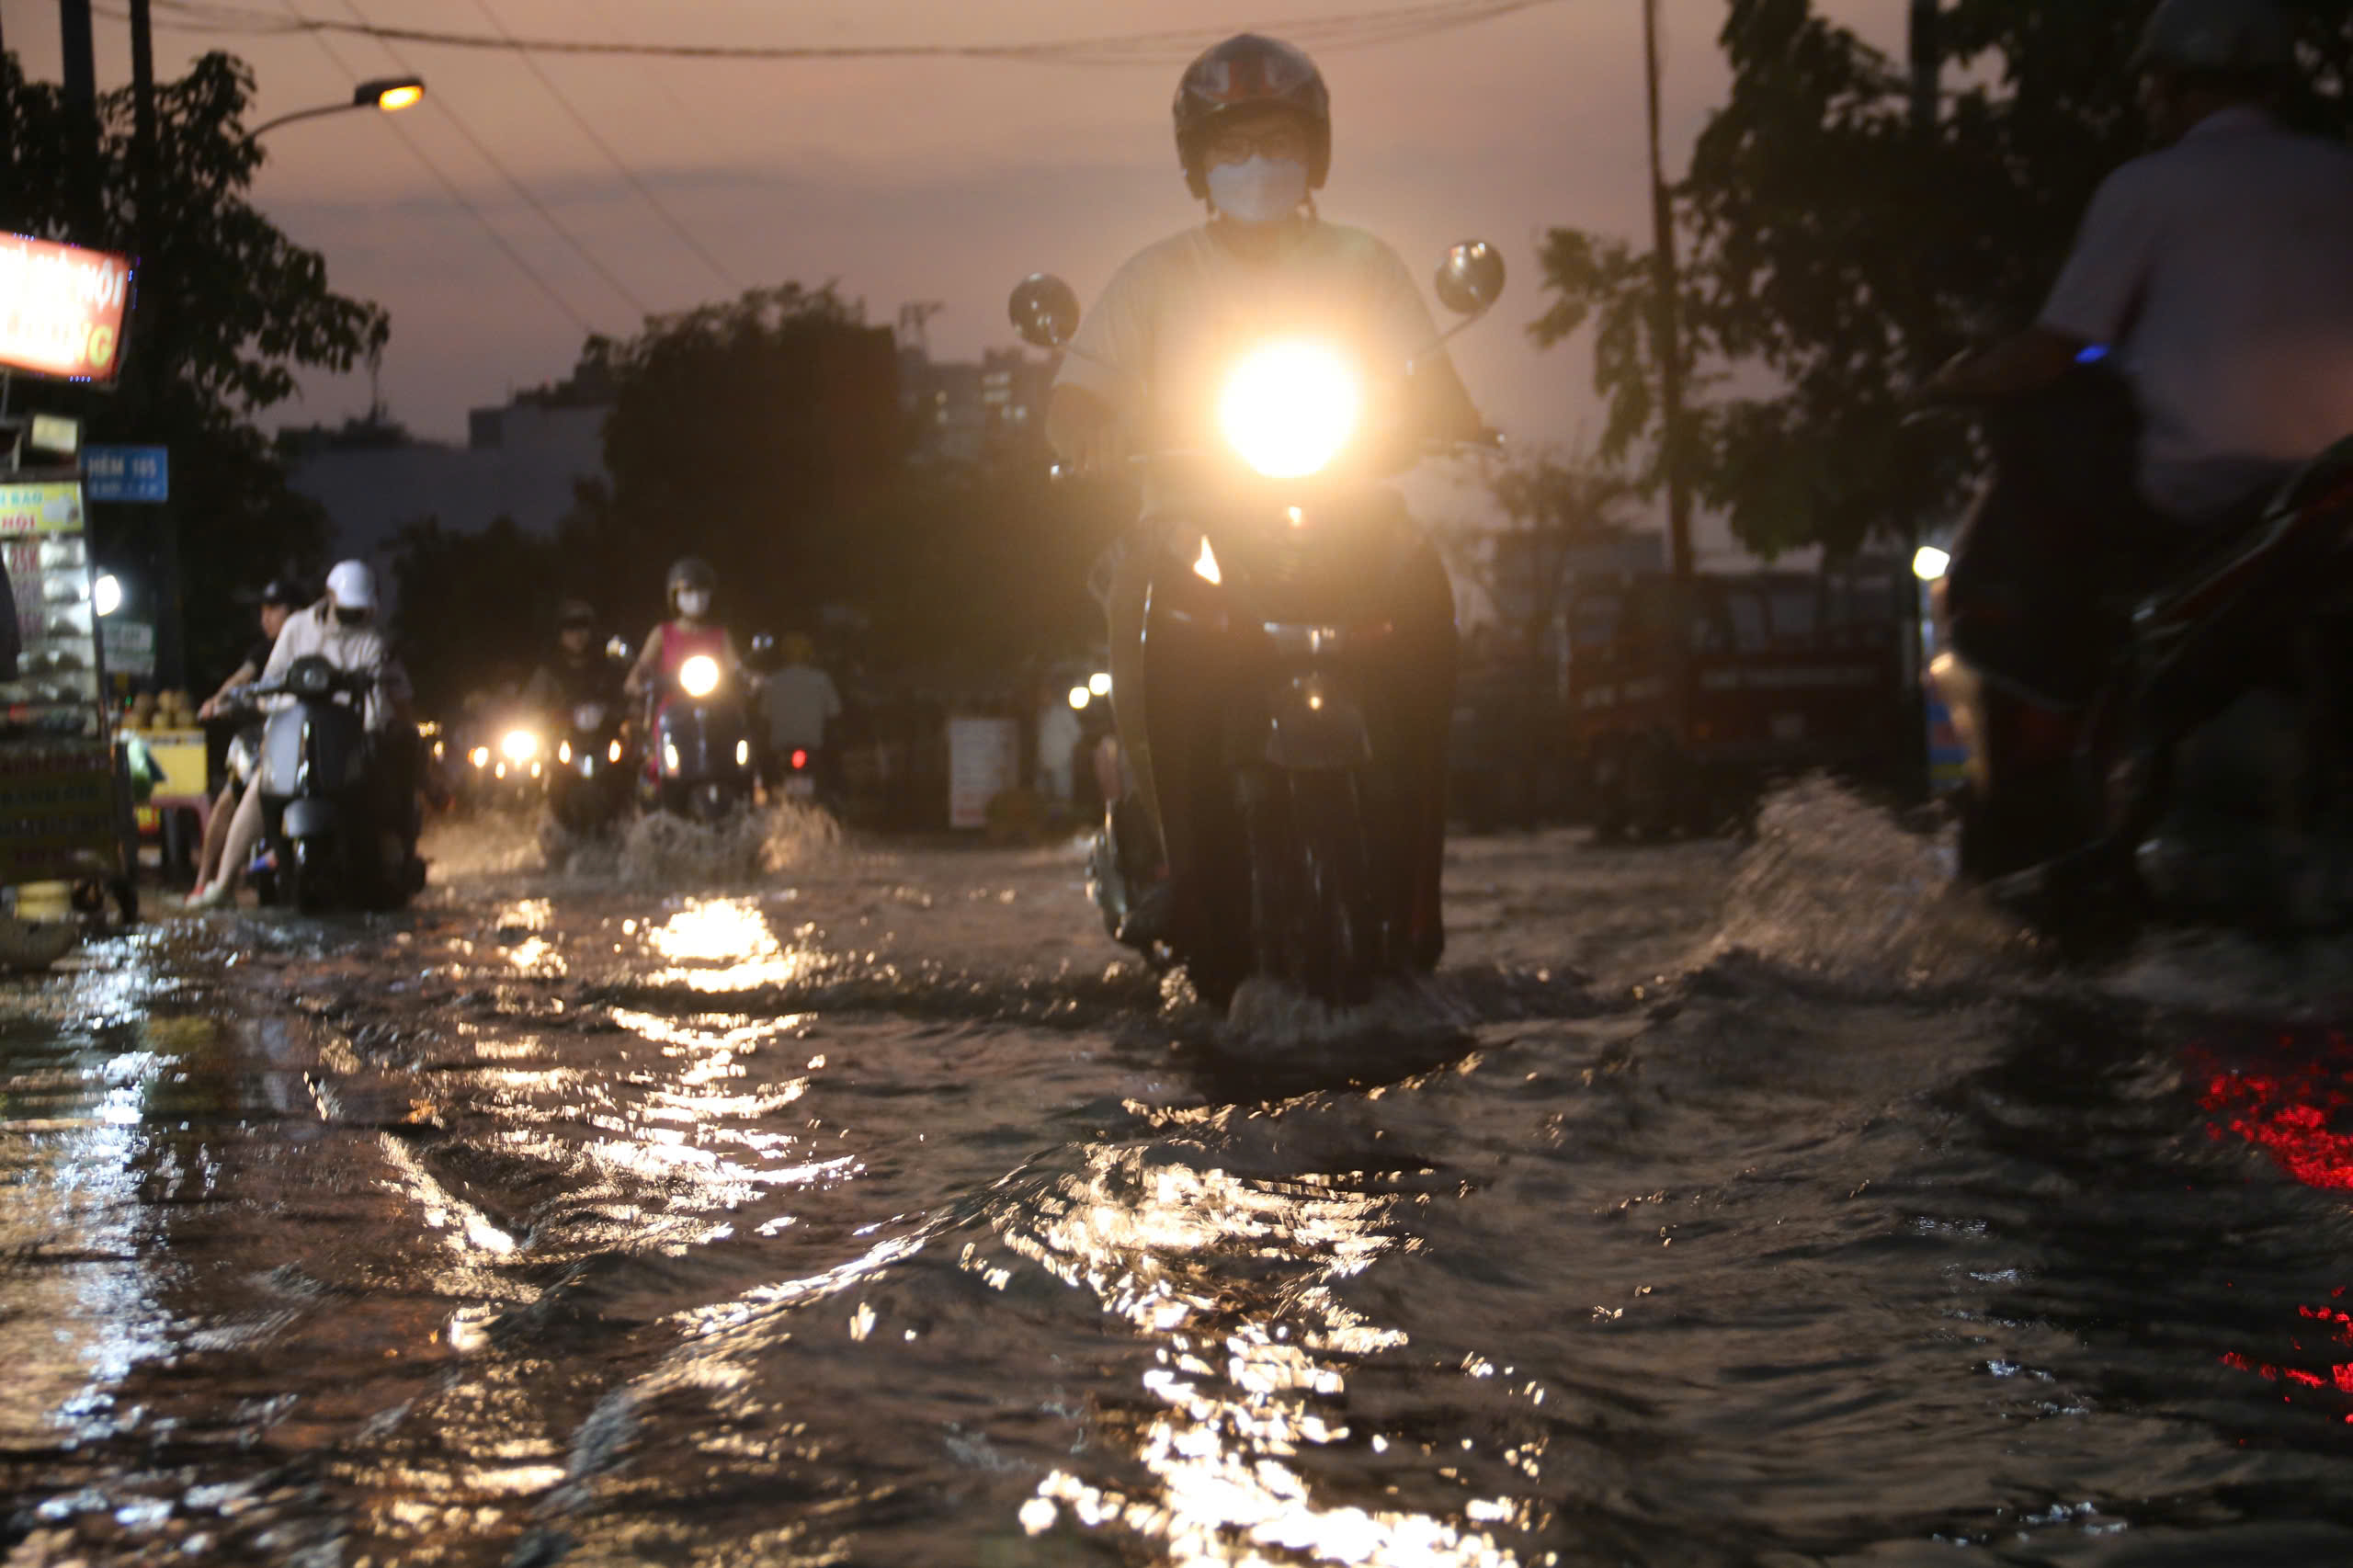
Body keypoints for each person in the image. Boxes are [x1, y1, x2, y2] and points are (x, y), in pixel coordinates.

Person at [1043, 31, 1483, 873]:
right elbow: (1074, 402)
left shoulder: (1368, 265)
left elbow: (1438, 388)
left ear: (1313, 155)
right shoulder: (1152, 278)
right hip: (1188, 523)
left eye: (1276, 143)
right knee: (1141, 600)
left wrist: (1454, 419)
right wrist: (1090, 436)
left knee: (1423, 583)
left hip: (1349, 511)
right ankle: (1172, 853)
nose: (1255, 162)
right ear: (1198, 163)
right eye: (1233, 146)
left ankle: (1420, 873)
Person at [1925, 0, 2353, 697]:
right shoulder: (2340, 174)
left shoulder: (2146, 187)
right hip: (2332, 496)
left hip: (2190, 496)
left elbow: (2046, 356)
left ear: (2172, 86)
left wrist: (1955, 379)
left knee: (2039, 427)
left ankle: (2074, 695)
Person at [190, 561, 415, 909]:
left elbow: (377, 703)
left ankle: (384, 863)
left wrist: (371, 731)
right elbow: (271, 679)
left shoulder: (372, 641)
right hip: (293, 738)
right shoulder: (297, 629)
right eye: (347, 610)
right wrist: (262, 705)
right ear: (329, 599)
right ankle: (222, 884)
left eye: (359, 611)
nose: (353, 617)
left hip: (345, 742)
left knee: (378, 782)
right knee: (259, 787)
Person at [188, 577, 301, 899]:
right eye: (262, 611)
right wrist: (217, 701)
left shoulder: (310, 640)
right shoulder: (264, 650)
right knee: (230, 797)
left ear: (295, 614)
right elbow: (242, 677)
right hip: (272, 737)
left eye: (273, 610)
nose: (265, 618)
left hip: (309, 741)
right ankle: (205, 881)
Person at [622, 557, 742, 707]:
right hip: (670, 715)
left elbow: (737, 669)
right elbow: (639, 670)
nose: (696, 597)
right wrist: (637, 683)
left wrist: (752, 679)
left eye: (702, 590)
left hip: (714, 712)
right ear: (675, 595)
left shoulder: (721, 635)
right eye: (688, 590)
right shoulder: (661, 633)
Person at [755, 632, 841, 793]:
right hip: (814, 746)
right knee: (833, 778)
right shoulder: (821, 680)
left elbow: (763, 718)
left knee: (767, 783)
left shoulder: (772, 681)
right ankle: (837, 796)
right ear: (809, 654)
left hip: (780, 748)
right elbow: (835, 714)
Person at [522, 598, 620, 713]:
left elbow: (625, 702)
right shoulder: (548, 672)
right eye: (570, 627)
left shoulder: (608, 667)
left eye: (583, 625)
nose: (577, 634)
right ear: (559, 634)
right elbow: (528, 711)